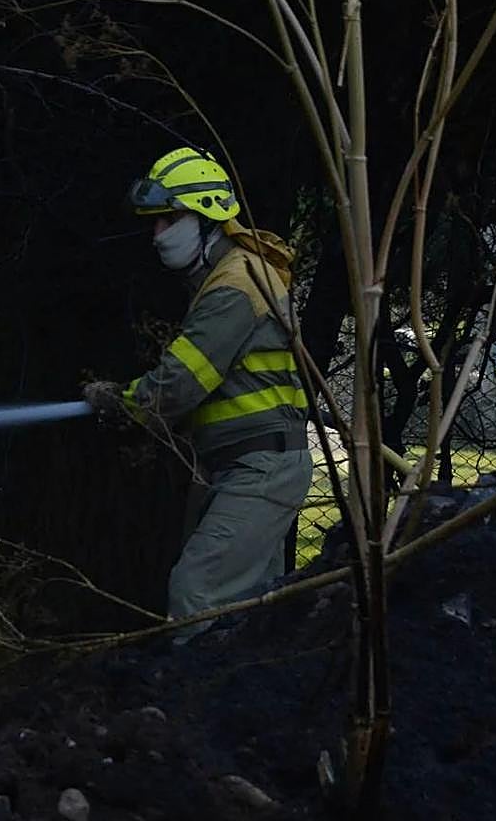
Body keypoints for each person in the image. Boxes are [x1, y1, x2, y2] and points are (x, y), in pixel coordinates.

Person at [83, 146, 313, 640]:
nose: (157, 234)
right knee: (248, 618)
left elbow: (180, 384)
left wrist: (121, 403)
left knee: (198, 595)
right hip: (244, 466)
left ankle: (189, 712)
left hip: (259, 469)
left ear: (207, 213)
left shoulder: (235, 284)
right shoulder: (228, 278)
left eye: (168, 219)